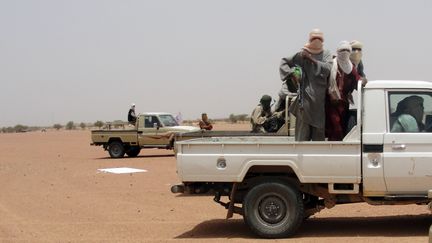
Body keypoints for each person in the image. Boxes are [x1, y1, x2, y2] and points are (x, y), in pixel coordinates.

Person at [280, 29, 333, 141]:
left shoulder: (326, 54)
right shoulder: (302, 54)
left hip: (319, 103)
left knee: (318, 139)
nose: (316, 40)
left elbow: (328, 69)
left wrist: (312, 60)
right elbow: (284, 62)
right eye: (314, 38)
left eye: (319, 38)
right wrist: (292, 74)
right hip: (304, 103)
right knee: (302, 137)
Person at [325, 41, 363, 141]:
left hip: (344, 103)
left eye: (347, 50)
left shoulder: (351, 67)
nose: (345, 52)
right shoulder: (331, 64)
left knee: (342, 127)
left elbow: (357, 79)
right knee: (335, 128)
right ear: (338, 51)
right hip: (331, 103)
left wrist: (363, 81)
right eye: (342, 50)